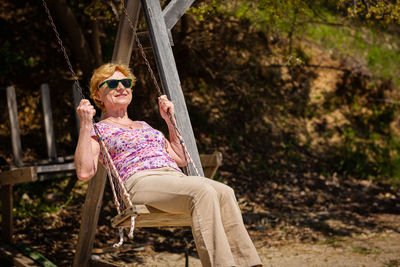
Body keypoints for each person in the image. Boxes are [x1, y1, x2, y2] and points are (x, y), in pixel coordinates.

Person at [74, 63, 262, 267]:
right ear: (98, 95)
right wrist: (85, 124)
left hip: (173, 178)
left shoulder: (145, 126)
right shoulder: (98, 130)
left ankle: (248, 264)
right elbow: (85, 172)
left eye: (125, 82)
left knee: (225, 192)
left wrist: (169, 120)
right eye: (112, 83)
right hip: (140, 182)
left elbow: (181, 158)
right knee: (203, 191)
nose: (121, 87)